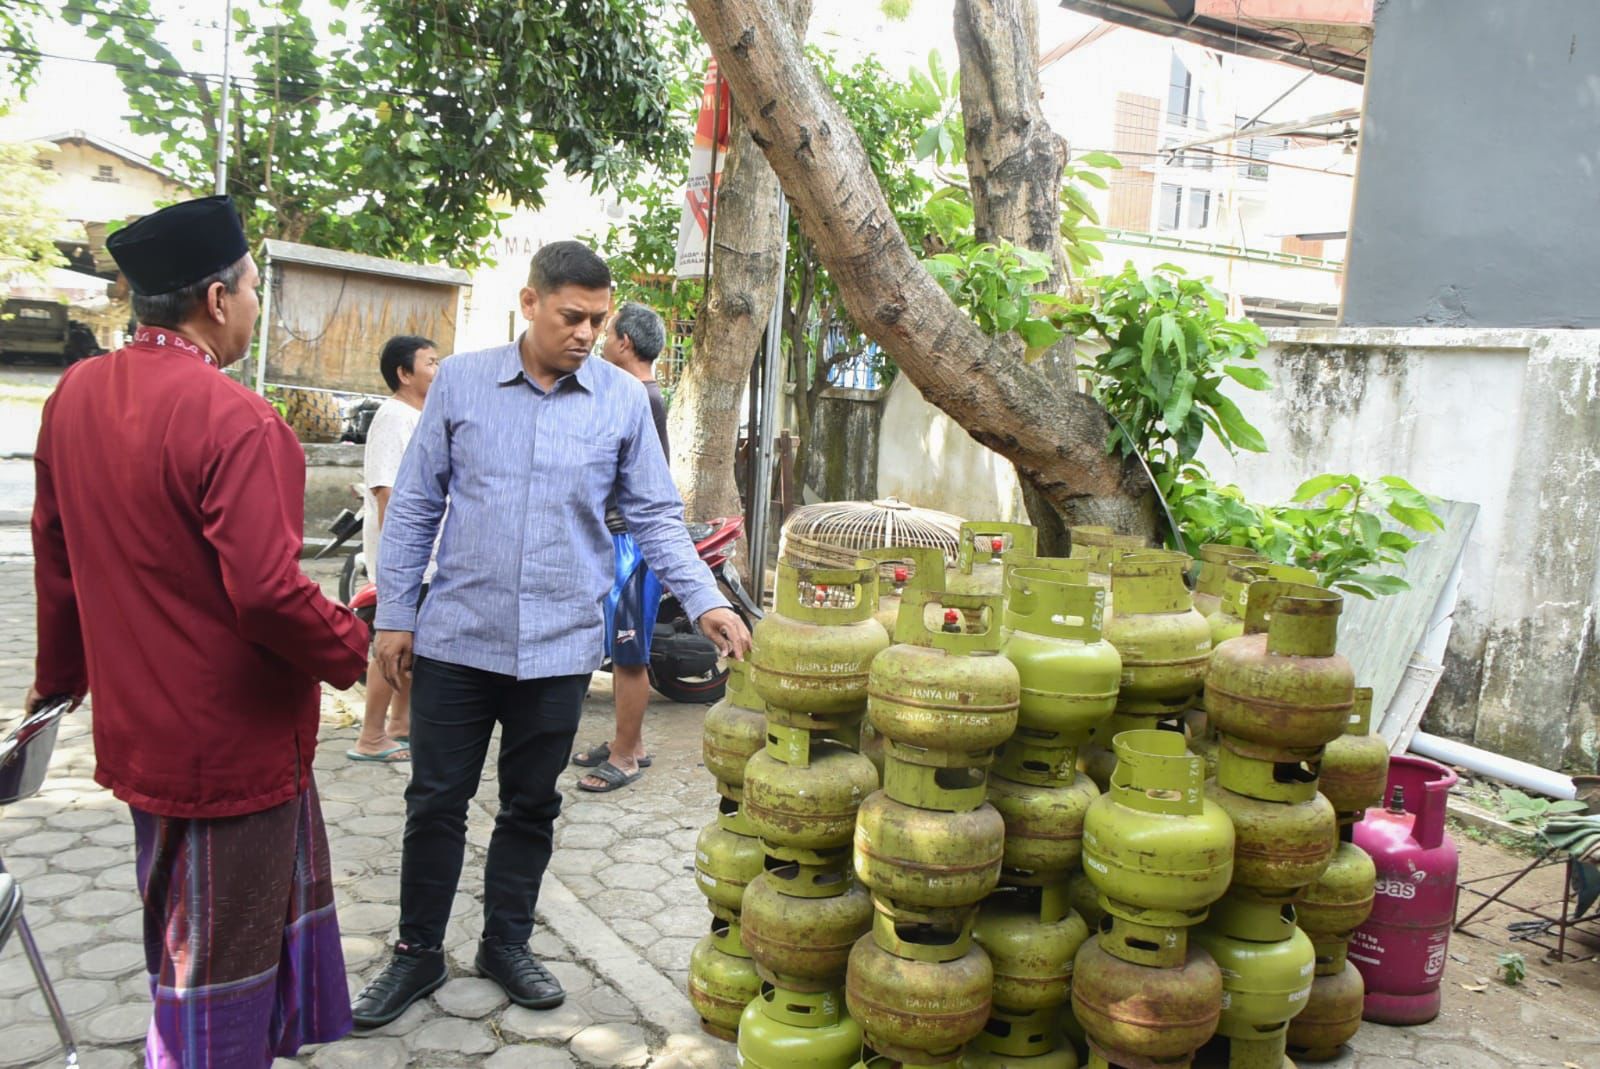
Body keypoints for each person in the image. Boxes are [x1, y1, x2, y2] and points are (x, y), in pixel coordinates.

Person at [350, 241, 751, 1027]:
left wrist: (703, 598)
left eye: (598, 320)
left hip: (561, 644)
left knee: (532, 804)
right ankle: (417, 952)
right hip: (459, 639)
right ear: (530, 302)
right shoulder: (462, 382)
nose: (587, 333)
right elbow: (418, 506)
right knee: (435, 801)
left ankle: (507, 941)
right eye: (572, 315)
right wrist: (395, 613)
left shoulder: (622, 400)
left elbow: (654, 516)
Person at [28, 194, 369, 1068]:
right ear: (217, 300)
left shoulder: (74, 396)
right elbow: (264, 592)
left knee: (175, 938)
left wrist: (55, 682)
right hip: (232, 748)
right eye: (253, 288)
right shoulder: (238, 421)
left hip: (140, 733)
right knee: (219, 965)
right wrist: (352, 645)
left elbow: (56, 558)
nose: (255, 305)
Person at [571, 301, 671, 792]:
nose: (598, 340)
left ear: (624, 342)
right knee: (620, 647)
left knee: (630, 652)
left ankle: (627, 754)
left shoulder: (638, 396)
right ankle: (626, 741)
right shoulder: (638, 392)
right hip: (619, 536)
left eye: (605, 332)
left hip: (633, 540)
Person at [348, 334, 441, 762]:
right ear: (404, 374)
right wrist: (404, 559)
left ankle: (399, 727)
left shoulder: (421, 416)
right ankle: (370, 737)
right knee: (391, 643)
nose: (438, 370)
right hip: (403, 561)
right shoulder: (393, 417)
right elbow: (388, 493)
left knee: (415, 648)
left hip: (426, 560)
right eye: (430, 363)